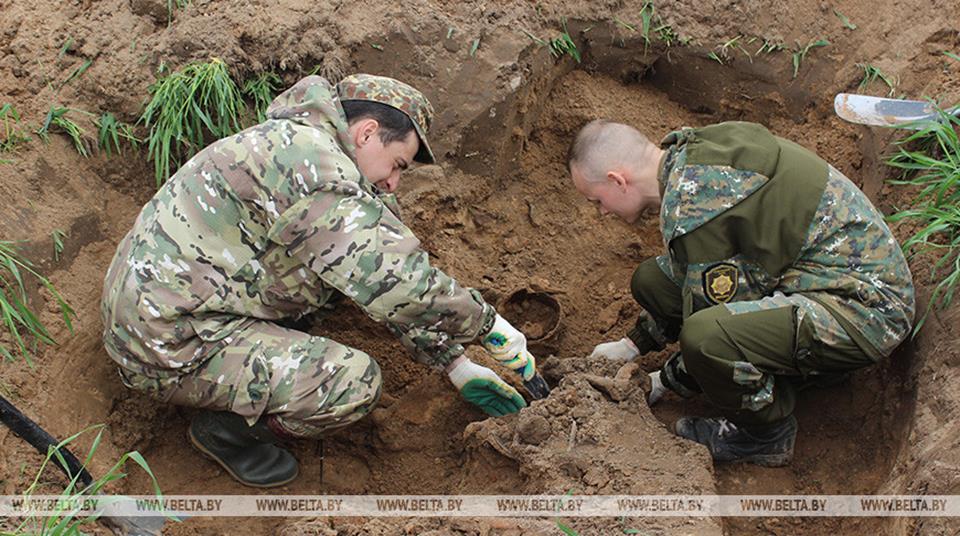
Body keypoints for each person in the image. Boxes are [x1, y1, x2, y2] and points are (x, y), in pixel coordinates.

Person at [101, 74, 539, 487]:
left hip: (169, 302)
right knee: (351, 383)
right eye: (397, 164)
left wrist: (455, 364)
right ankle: (226, 432)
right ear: (367, 133)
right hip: (167, 340)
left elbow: (375, 268)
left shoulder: (300, 145)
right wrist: (489, 325)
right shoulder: (313, 167)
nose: (393, 182)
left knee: (338, 282)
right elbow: (391, 279)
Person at [568, 119, 914, 466]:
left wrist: (660, 381)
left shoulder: (695, 213)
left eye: (596, 199)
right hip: (829, 275)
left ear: (617, 180)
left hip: (866, 311)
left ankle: (765, 436)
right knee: (652, 280)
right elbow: (695, 280)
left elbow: (707, 331)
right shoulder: (689, 157)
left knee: (706, 339)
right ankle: (801, 367)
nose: (602, 211)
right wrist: (632, 345)